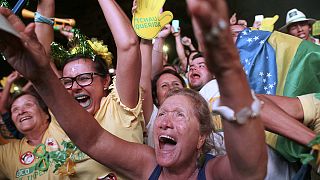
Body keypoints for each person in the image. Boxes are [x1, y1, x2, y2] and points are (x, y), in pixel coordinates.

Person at [0, 0, 268, 178]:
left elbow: (250, 168)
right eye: (162, 114)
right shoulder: (148, 164)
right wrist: (40, 75)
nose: (163, 122)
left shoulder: (211, 172)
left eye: (179, 115)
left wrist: (229, 72)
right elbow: (92, 140)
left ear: (201, 138)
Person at [0, 90, 67, 179]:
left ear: (46, 113)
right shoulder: (7, 154)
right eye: (15, 109)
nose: (21, 112)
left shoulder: (61, 129)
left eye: (28, 105)